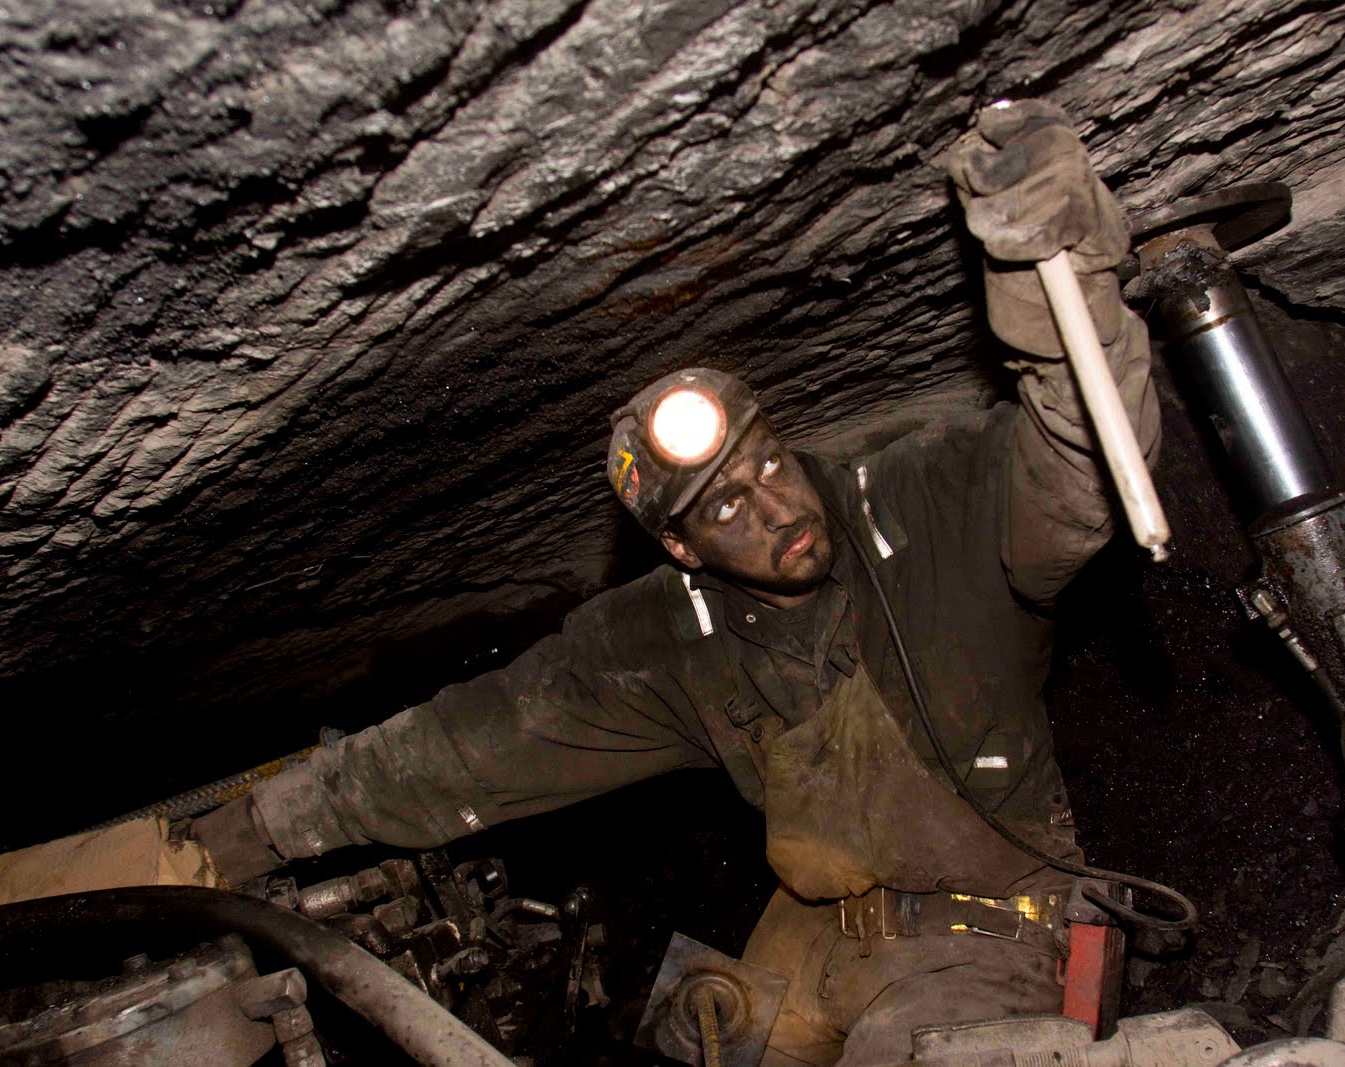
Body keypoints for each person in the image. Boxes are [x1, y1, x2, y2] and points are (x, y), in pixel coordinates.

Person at [192, 99, 1160, 1066]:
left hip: (996, 930)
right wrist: (256, 831)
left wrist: (1054, 274)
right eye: (727, 506)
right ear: (682, 547)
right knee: (669, 1042)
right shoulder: (670, 636)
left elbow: (1079, 469)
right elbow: (473, 742)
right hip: (817, 933)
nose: (778, 507)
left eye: (769, 463)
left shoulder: (923, 497)